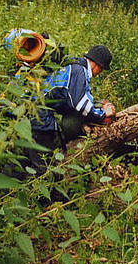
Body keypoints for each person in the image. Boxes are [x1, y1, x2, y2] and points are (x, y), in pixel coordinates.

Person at [28, 45, 115, 174]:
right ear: (97, 65)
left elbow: (72, 99)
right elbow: (80, 104)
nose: (98, 74)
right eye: (101, 70)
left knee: (31, 159)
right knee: (42, 167)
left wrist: (99, 104)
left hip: (33, 113)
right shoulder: (79, 71)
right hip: (39, 118)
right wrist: (102, 115)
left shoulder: (73, 66)